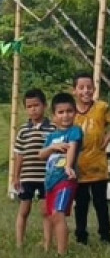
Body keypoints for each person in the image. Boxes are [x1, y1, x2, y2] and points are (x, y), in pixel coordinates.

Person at [38, 92, 83, 256]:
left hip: (65, 179)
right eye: (61, 112)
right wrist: (52, 148)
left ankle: (62, 254)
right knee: (51, 216)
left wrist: (68, 166)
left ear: (75, 112)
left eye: (69, 111)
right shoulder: (52, 136)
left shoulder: (74, 131)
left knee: (58, 213)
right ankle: (52, 245)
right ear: (54, 116)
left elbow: (72, 147)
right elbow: (41, 154)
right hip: (50, 182)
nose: (65, 115)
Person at [72, 72, 110, 245]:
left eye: (89, 87)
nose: (85, 91)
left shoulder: (102, 107)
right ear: (74, 91)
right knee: (81, 203)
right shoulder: (70, 112)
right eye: (81, 88)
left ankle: (106, 235)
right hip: (78, 167)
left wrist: (108, 137)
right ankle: (81, 236)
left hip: (98, 165)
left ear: (94, 89)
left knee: (100, 202)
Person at [12, 88, 56, 249]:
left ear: (44, 106)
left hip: (46, 177)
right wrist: (16, 177)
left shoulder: (52, 128)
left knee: (45, 211)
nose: (33, 109)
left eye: (36, 105)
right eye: (29, 106)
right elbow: (19, 155)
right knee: (24, 209)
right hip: (27, 177)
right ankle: (19, 242)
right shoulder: (23, 131)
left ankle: (47, 243)